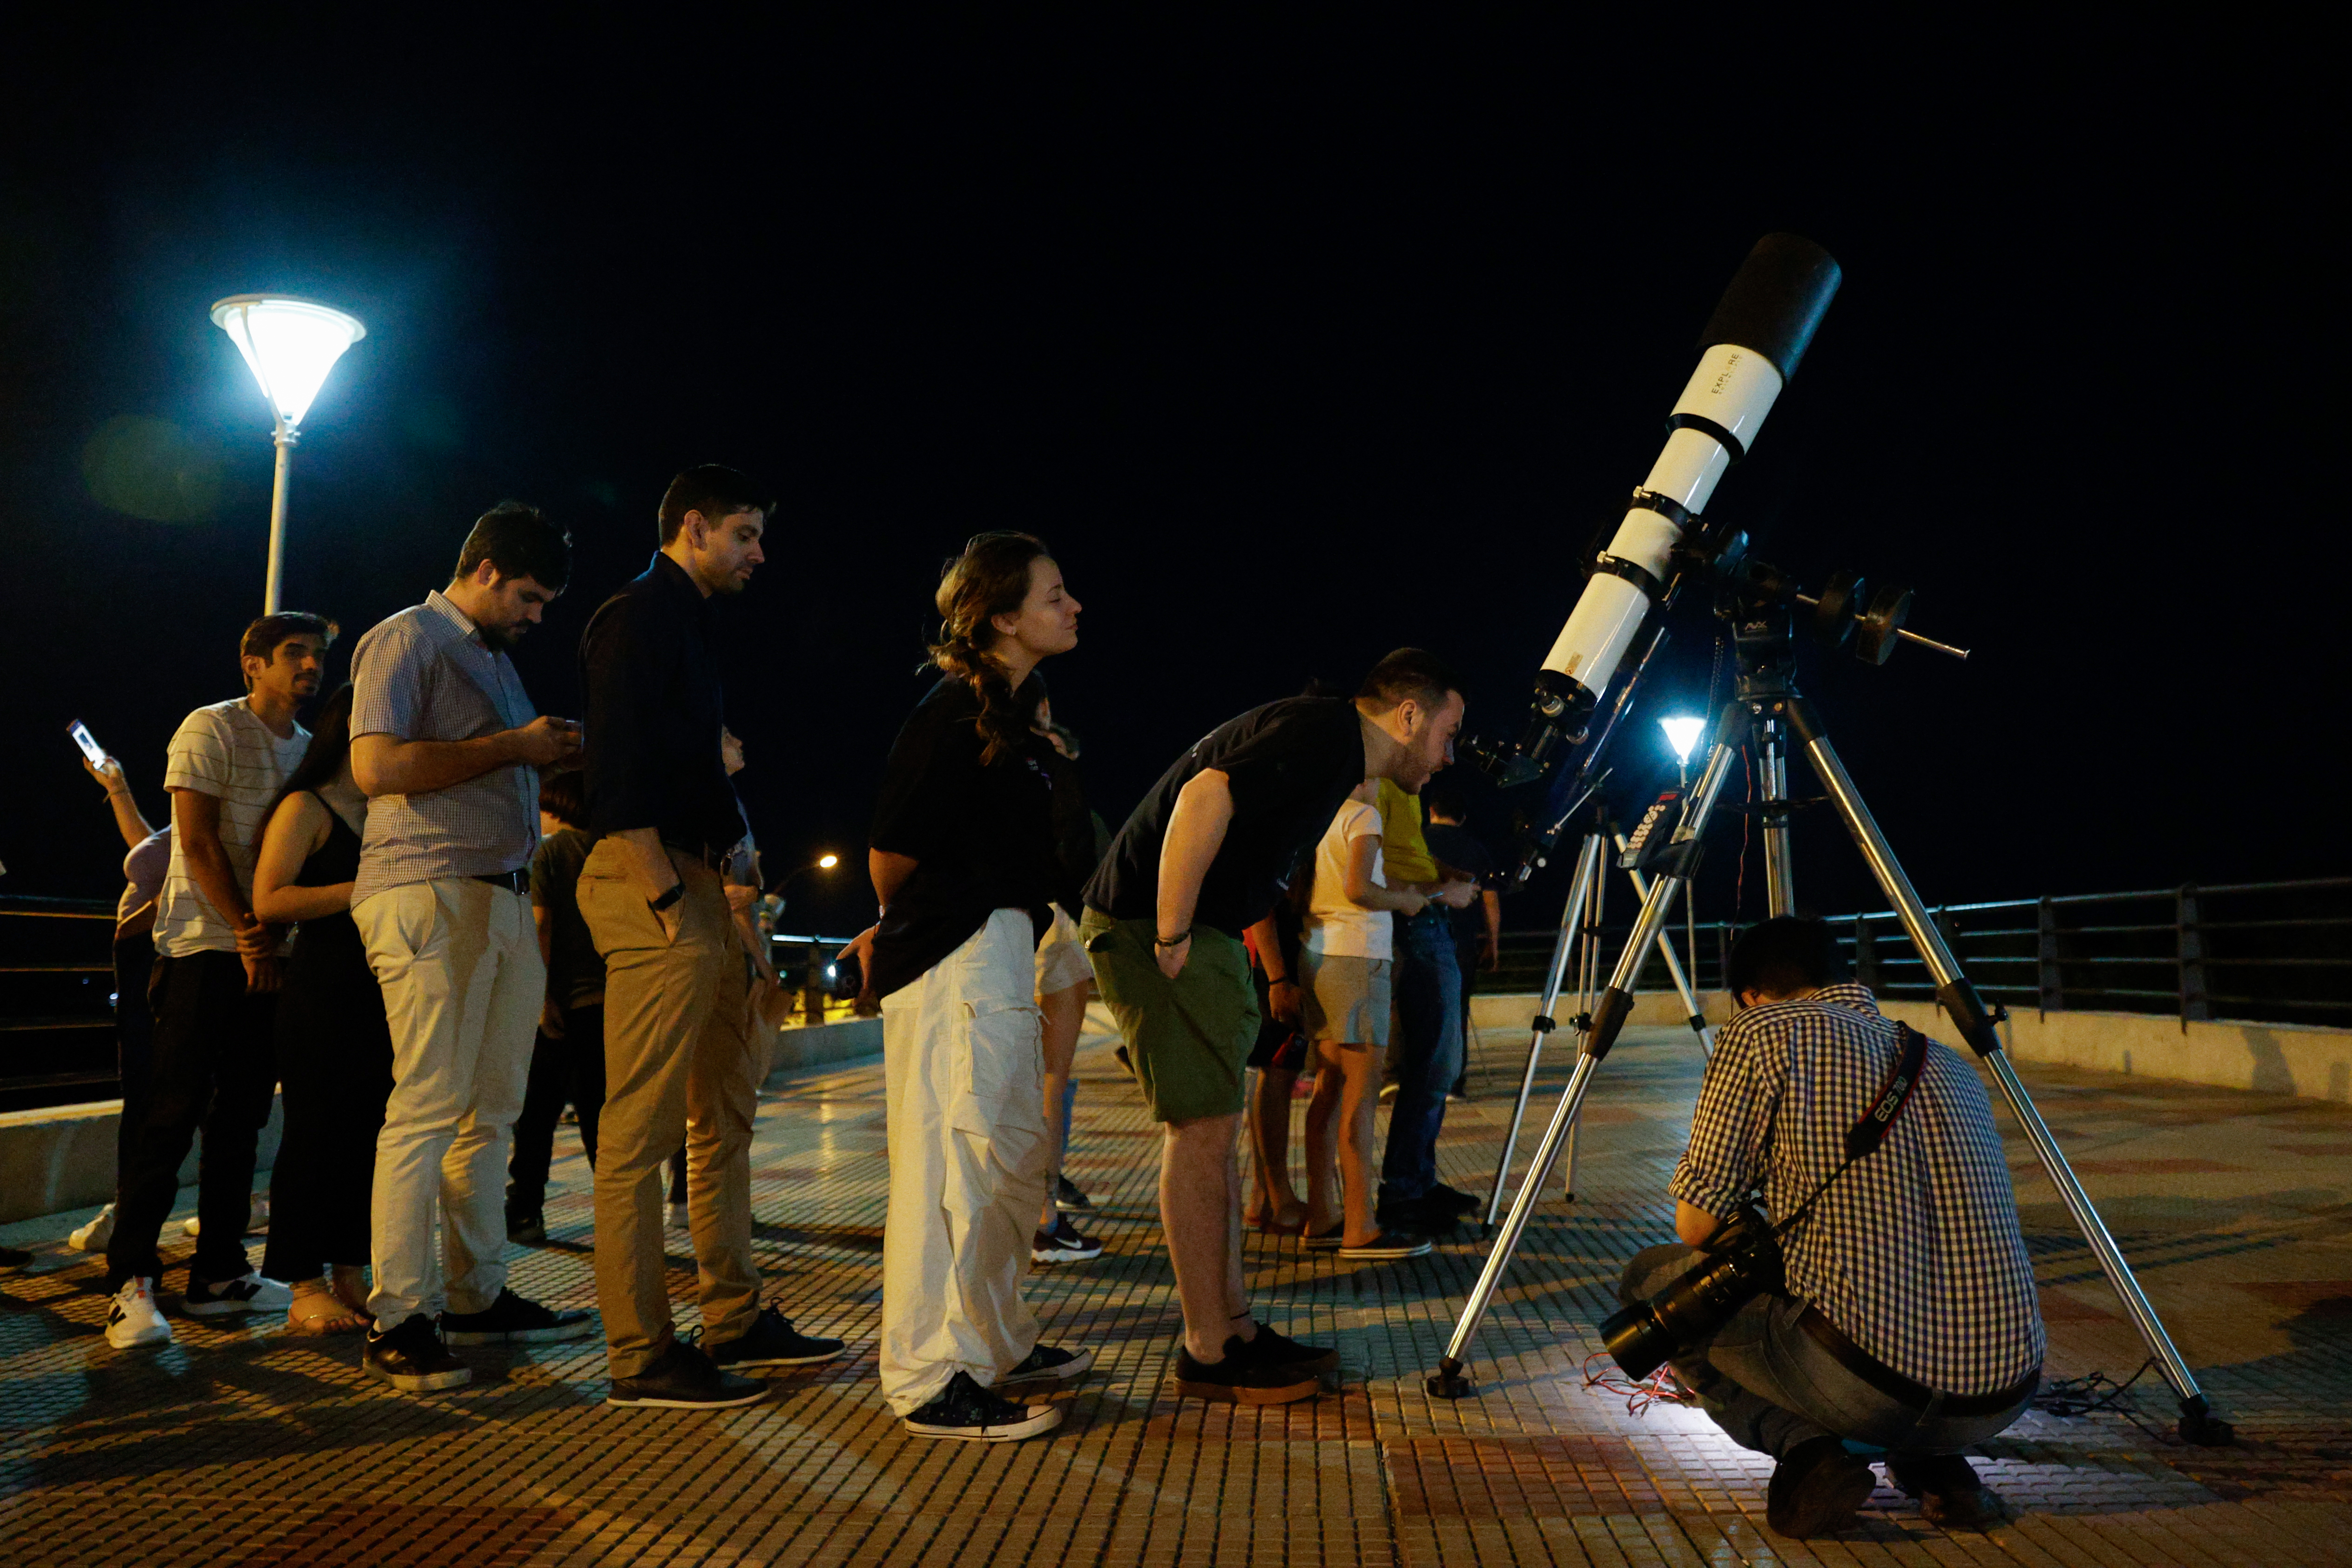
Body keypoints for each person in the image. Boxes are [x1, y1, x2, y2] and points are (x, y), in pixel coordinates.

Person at [1080, 647, 1464, 1404]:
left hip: (1203, 930)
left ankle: (1233, 1326)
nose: (1447, 756)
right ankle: (1208, 1345)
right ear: (1408, 715)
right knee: (1197, 1132)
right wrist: (1169, 930)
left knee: (1214, 1132)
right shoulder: (1325, 735)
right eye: (1447, 733)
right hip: (1158, 926)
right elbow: (1204, 795)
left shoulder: (1327, 746)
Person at [1622, 915, 2044, 1536]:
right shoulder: (1947, 1061)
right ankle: (1938, 1468)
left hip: (1862, 1383)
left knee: (1648, 1284)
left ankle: (1807, 1451)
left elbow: (1695, 1222)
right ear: (1845, 973)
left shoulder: (1760, 1031)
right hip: (2003, 1390)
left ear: (1749, 995)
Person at [578, 464, 842, 1412]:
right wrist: (660, 896)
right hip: (657, 886)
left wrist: (731, 884)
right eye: (745, 533)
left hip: (705, 888)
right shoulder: (635, 618)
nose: (759, 553)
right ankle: (639, 1351)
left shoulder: (690, 622)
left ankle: (733, 1316)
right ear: (691, 527)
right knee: (639, 1131)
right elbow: (613, 774)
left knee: (723, 1114)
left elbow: (692, 767)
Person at [850, 531, 1092, 1442]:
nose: (1072, 607)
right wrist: (945, 931)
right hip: (954, 959)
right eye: (1054, 593)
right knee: (950, 1167)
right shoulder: (951, 713)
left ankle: (991, 1344)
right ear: (1002, 614)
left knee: (1007, 1164)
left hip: (998, 951)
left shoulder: (1014, 715)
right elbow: (889, 857)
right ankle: (927, 1375)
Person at [348, 502, 595, 1393]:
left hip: (500, 892)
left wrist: (542, 755)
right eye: (529, 595)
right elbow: (375, 769)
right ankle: (399, 1316)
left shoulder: (494, 661)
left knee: (491, 1107)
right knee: (424, 1107)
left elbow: (493, 758)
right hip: (427, 886)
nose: (537, 615)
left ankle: (474, 1294)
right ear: (485, 569)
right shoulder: (406, 638)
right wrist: (511, 746)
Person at [102, 612, 331, 1350]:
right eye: (294, 654)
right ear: (252, 663)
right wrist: (249, 931)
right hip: (204, 948)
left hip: (269, 955)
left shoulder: (307, 750)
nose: (309, 667)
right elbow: (195, 844)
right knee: (169, 1114)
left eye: (318, 656)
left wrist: (270, 942)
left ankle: (219, 1273)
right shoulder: (209, 728)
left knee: (242, 1121)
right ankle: (131, 1284)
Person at [250, 685, 391, 1334]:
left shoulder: (389, 812)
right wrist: (359, 889)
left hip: (379, 991)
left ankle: (350, 1272)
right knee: (313, 1134)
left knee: (367, 1136)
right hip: (321, 991)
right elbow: (271, 899)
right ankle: (301, 1283)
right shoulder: (307, 806)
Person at [1296, 781, 1431, 1259]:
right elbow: (1359, 889)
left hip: (1317, 953)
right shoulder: (1362, 815)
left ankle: (1322, 1216)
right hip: (1357, 956)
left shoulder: (1319, 812)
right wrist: (1406, 902)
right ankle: (1360, 1226)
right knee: (1361, 1093)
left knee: (1329, 1088)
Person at [67, 751, 168, 1256]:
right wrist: (117, 787)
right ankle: (131, 1210)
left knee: (154, 1098)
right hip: (141, 958)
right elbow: (148, 851)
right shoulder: (191, 828)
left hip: (156, 957)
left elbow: (158, 865)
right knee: (152, 1098)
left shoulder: (215, 819)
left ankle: (132, 1218)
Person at [1372, 777, 1477, 1236]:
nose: (1449, 759)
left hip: (1426, 927)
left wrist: (1445, 874)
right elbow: (1369, 873)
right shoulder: (1374, 788)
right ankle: (1402, 1193)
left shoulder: (1404, 791)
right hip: (1413, 929)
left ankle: (1418, 1182)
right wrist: (1441, 891)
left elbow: (1407, 858)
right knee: (1432, 1068)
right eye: (1447, 735)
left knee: (1437, 1067)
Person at [506, 771, 607, 1244]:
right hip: (609, 1003)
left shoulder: (551, 852)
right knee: (602, 1118)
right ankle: (620, 1217)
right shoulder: (608, 851)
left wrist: (541, 998)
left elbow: (540, 927)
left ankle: (526, 1214)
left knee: (536, 1117)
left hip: (562, 1003)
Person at [1030, 695, 1103, 1267]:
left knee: (1017, 1079)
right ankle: (1042, 1219)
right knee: (1052, 1079)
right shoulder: (1055, 778)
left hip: (1006, 927)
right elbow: (1084, 862)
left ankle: (1018, 1213)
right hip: (1054, 925)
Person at [1419, 780, 1500, 1099]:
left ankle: (1408, 1076)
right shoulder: (1476, 849)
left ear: (1431, 810)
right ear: (1463, 816)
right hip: (1461, 943)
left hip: (1419, 936)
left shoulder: (1418, 840)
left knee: (1416, 1010)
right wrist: (1493, 944)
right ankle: (1454, 1080)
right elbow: (1490, 901)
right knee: (1457, 1011)